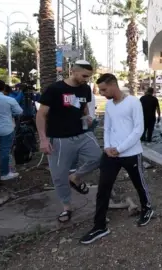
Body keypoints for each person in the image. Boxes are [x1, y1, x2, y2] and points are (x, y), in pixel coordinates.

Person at [80, 73, 153, 244]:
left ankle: (147, 209)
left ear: (114, 85)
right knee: (103, 189)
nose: (102, 93)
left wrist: (119, 149)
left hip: (131, 154)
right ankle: (99, 226)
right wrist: (106, 147)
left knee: (139, 185)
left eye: (104, 89)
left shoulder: (133, 102)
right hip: (110, 155)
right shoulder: (109, 105)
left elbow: (138, 130)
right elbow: (108, 128)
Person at [36, 60, 102, 223]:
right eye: (84, 76)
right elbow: (41, 114)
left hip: (82, 134)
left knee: (99, 157)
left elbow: (84, 107)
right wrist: (43, 139)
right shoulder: (55, 89)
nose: (86, 79)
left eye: (89, 76)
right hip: (59, 139)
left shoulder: (85, 88)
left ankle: (76, 178)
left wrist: (87, 117)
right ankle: (67, 207)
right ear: (73, 71)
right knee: (59, 175)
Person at [70, 81, 98, 173]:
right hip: (87, 120)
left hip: (85, 122)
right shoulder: (85, 92)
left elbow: (86, 108)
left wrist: (88, 117)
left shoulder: (84, 91)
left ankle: (76, 167)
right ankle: (75, 167)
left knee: (81, 146)